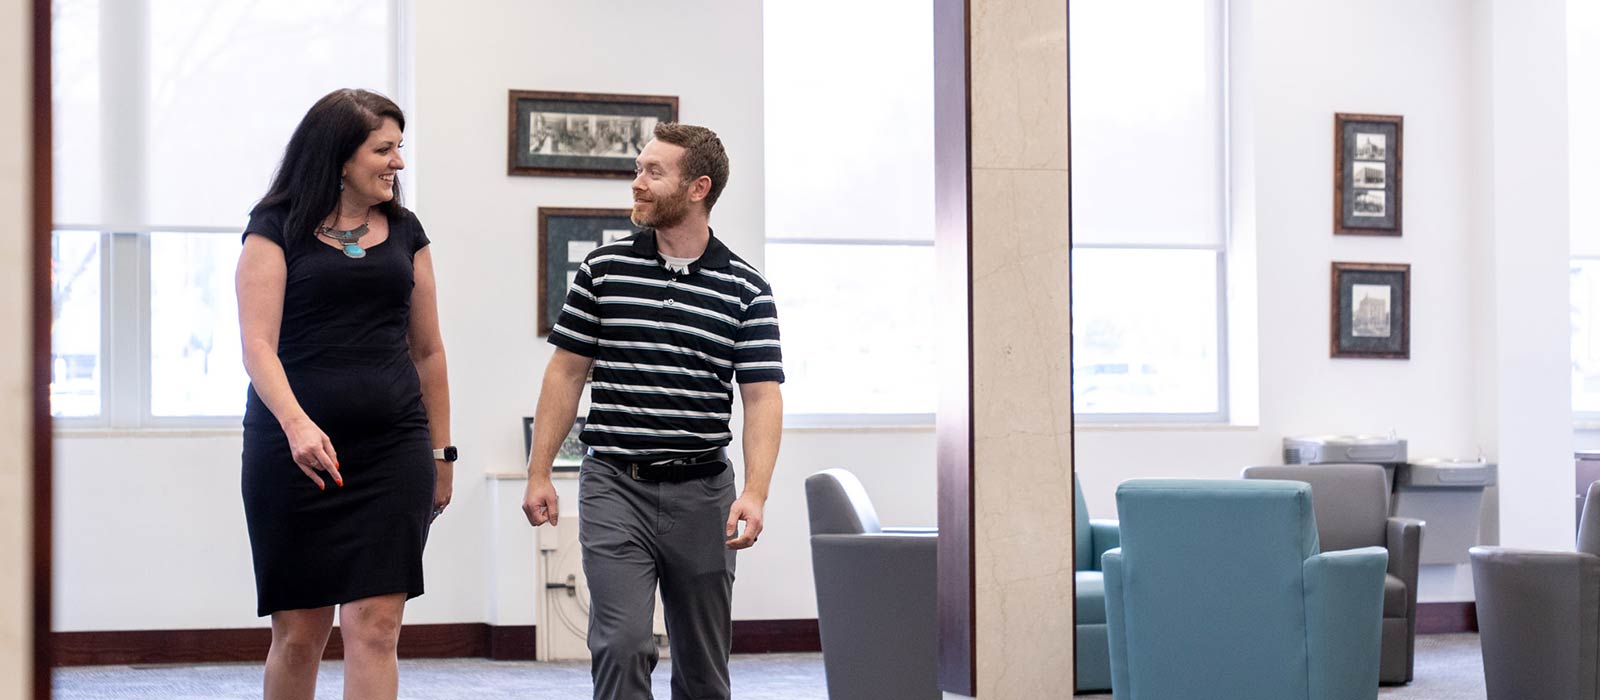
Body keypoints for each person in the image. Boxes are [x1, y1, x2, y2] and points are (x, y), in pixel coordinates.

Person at [522, 122, 784, 700]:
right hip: (616, 484)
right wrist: (540, 470)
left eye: (652, 172)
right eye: (638, 169)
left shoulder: (746, 289)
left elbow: (762, 394)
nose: (636, 183)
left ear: (698, 188)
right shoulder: (603, 270)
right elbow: (566, 373)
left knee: (703, 666)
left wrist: (757, 492)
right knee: (621, 645)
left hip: (705, 494)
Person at [236, 88, 455, 700]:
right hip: (293, 452)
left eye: (399, 148)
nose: (398, 163)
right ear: (339, 156)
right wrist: (297, 425)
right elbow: (258, 346)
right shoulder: (274, 226)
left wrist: (443, 454)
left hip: (392, 451)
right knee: (300, 633)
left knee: (376, 628)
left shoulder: (407, 231)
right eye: (384, 149)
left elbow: (429, 352)